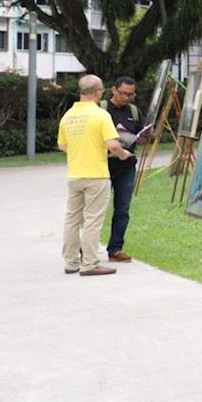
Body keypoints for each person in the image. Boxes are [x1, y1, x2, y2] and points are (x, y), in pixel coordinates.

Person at [59, 74, 133, 276]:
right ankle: (90, 263)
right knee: (92, 220)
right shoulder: (101, 115)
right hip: (96, 174)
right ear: (97, 92)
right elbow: (112, 145)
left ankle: (71, 262)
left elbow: (62, 145)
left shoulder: (68, 116)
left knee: (72, 219)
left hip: (74, 174)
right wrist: (123, 154)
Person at [100, 75, 146, 262]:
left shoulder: (134, 111)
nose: (126, 97)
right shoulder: (101, 109)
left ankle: (115, 248)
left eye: (130, 94)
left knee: (122, 209)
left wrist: (143, 136)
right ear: (113, 90)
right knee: (96, 209)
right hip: (103, 165)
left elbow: (140, 135)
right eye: (123, 93)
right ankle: (86, 249)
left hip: (126, 166)